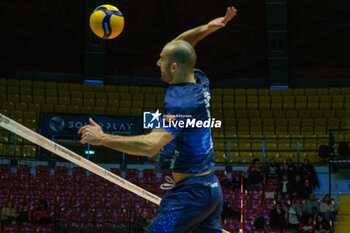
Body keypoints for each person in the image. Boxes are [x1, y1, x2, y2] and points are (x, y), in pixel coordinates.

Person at [78, 6, 237, 233]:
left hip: (191, 195)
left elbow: (150, 146)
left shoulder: (183, 102)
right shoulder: (198, 79)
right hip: (209, 188)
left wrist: (102, 138)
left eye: (161, 59)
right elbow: (179, 45)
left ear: (174, 67)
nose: (157, 63)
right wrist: (209, 28)